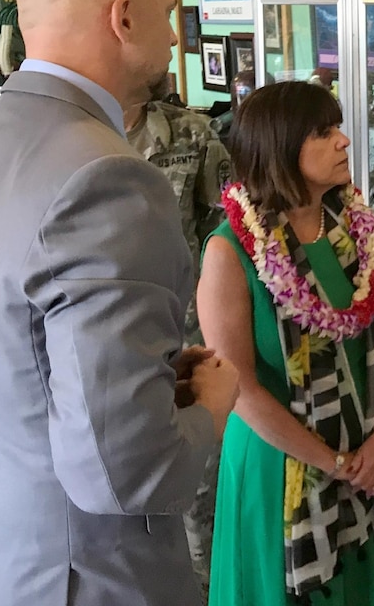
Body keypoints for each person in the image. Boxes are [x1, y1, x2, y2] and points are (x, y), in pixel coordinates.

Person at [0, 0, 240, 605]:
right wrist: (211, 410)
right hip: (91, 576)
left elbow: (10, 359)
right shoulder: (108, 178)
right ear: (123, 18)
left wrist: (144, 378)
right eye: (168, 15)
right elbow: (122, 474)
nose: (175, 38)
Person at [199, 81, 374, 606]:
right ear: (280, 147)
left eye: (338, 128)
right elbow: (241, 392)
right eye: (324, 133)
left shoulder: (360, 229)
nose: (344, 141)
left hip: (370, 456)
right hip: (281, 473)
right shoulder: (230, 253)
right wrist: (336, 463)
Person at [125, 78, 232, 601]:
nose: (171, 38)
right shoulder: (65, 143)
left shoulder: (194, 136)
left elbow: (228, 239)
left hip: (186, 350)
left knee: (198, 500)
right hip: (103, 360)